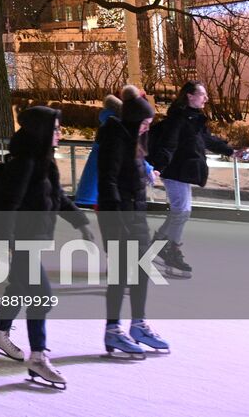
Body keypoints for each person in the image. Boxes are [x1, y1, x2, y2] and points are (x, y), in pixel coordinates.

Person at [0, 105, 95, 391]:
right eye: (56, 128)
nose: (60, 133)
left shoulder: (45, 162)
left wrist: (80, 222)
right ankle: (38, 357)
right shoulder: (26, 163)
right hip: (23, 241)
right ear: (43, 131)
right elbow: (9, 205)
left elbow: (57, 197)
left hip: (34, 238)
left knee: (20, 289)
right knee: (41, 295)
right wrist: (5, 242)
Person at [146, 80, 249, 277]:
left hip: (182, 172)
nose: (206, 98)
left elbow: (207, 139)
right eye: (202, 94)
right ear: (190, 96)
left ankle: (158, 245)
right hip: (174, 171)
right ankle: (172, 250)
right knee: (182, 211)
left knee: (180, 211)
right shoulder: (179, 120)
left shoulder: (193, 120)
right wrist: (158, 168)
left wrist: (231, 151)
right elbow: (168, 145)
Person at [96, 93, 169, 357]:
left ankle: (138, 323)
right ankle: (113, 329)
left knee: (141, 270)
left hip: (135, 215)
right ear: (134, 119)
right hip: (118, 217)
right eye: (145, 122)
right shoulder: (115, 140)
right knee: (120, 274)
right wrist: (118, 218)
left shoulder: (133, 142)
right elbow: (109, 180)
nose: (147, 127)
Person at [74, 93, 155, 207]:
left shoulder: (114, 124)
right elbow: (126, 153)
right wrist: (147, 168)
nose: (146, 128)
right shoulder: (116, 128)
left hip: (103, 189)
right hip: (103, 190)